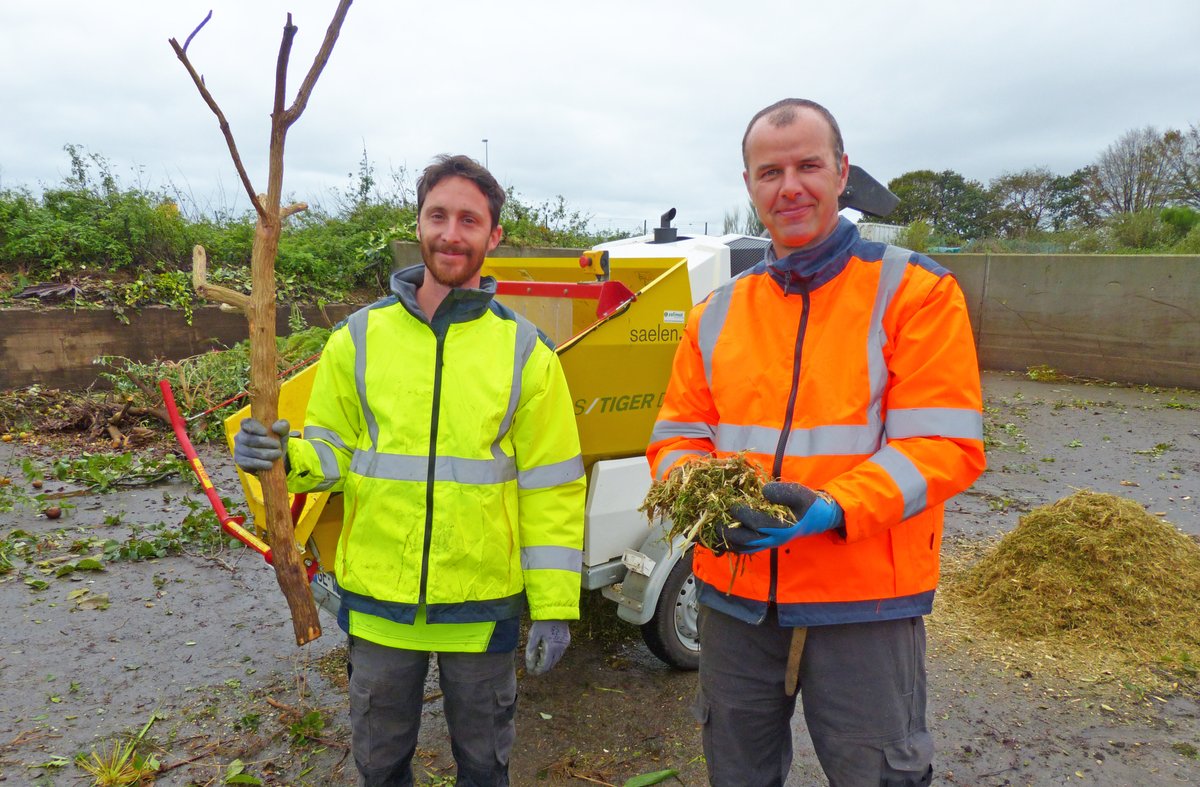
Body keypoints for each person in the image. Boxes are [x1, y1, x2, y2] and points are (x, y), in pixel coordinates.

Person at [647, 98, 986, 786]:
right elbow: (677, 434)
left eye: (808, 165)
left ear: (841, 172)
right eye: (770, 171)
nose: (790, 186)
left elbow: (943, 444)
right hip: (735, 595)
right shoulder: (718, 313)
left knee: (877, 774)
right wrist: (704, 500)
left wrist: (833, 507)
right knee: (737, 772)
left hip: (862, 600)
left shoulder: (914, 291)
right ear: (749, 187)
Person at [233, 154, 587, 786]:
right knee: (381, 764)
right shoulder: (358, 339)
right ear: (418, 223)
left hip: (481, 607)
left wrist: (555, 605)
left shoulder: (527, 354)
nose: (452, 233)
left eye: (469, 220)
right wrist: (283, 460)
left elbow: (552, 489)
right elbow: (333, 451)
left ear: (493, 236)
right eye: (438, 215)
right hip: (379, 606)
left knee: (484, 766)